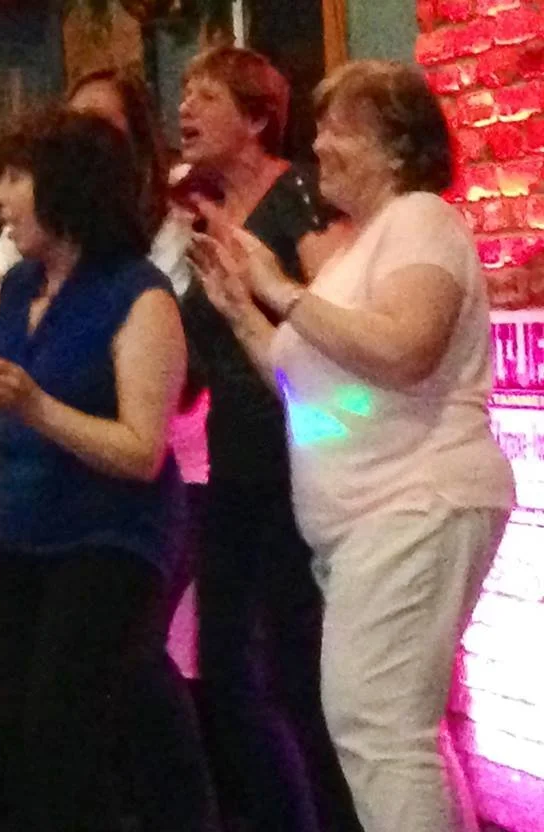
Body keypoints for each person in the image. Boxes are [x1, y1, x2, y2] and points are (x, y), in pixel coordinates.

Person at [190, 59, 515, 832]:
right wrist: (242, 310)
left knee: (378, 733)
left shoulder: (420, 220)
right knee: (397, 736)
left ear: (398, 148)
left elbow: (407, 350)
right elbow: (321, 399)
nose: (321, 144)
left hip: (416, 504)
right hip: (380, 520)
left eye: (341, 128)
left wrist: (281, 291)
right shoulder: (364, 252)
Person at [0, 67, 214, 832]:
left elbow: (140, 452)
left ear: (65, 189)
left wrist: (39, 408)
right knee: (32, 737)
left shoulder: (140, 296)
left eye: (14, 178)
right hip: (25, 538)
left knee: (63, 729)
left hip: (110, 541)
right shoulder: (19, 286)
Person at [174, 45, 361, 832]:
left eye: (206, 94)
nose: (184, 107)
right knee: (225, 668)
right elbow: (185, 369)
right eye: (183, 92)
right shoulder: (207, 218)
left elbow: (335, 325)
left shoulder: (300, 201)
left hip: (302, 454)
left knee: (297, 664)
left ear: (255, 118)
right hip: (236, 466)